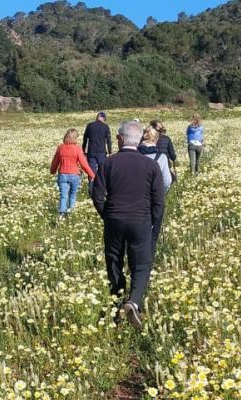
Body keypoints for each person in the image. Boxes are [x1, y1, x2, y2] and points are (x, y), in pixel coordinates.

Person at [92, 121, 164, 330]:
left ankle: (116, 305)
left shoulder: (108, 162)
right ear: (140, 139)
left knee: (114, 261)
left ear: (120, 139)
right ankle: (133, 301)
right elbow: (158, 200)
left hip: (114, 218)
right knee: (141, 264)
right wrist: (152, 223)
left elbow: (97, 195)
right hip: (140, 220)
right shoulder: (150, 165)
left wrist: (107, 215)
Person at [139, 126, 172, 263]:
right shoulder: (161, 157)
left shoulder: (135, 155)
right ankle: (147, 265)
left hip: (135, 200)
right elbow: (167, 181)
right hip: (154, 201)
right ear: (156, 140)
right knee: (152, 236)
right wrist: (159, 194)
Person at [50, 128, 95, 216]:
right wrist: (91, 175)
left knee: (63, 195)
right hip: (74, 175)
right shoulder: (77, 149)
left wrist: (52, 171)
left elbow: (55, 161)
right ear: (75, 138)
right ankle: (71, 214)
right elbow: (84, 164)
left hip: (63, 175)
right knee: (72, 194)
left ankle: (62, 214)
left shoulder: (60, 147)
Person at [82, 111, 112, 176]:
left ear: (97, 117)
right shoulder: (105, 126)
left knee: (91, 172)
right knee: (102, 171)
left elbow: (85, 139)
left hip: (91, 152)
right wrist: (110, 152)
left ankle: (91, 185)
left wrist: (83, 151)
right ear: (103, 118)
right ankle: (101, 185)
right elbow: (108, 141)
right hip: (101, 152)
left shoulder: (90, 125)